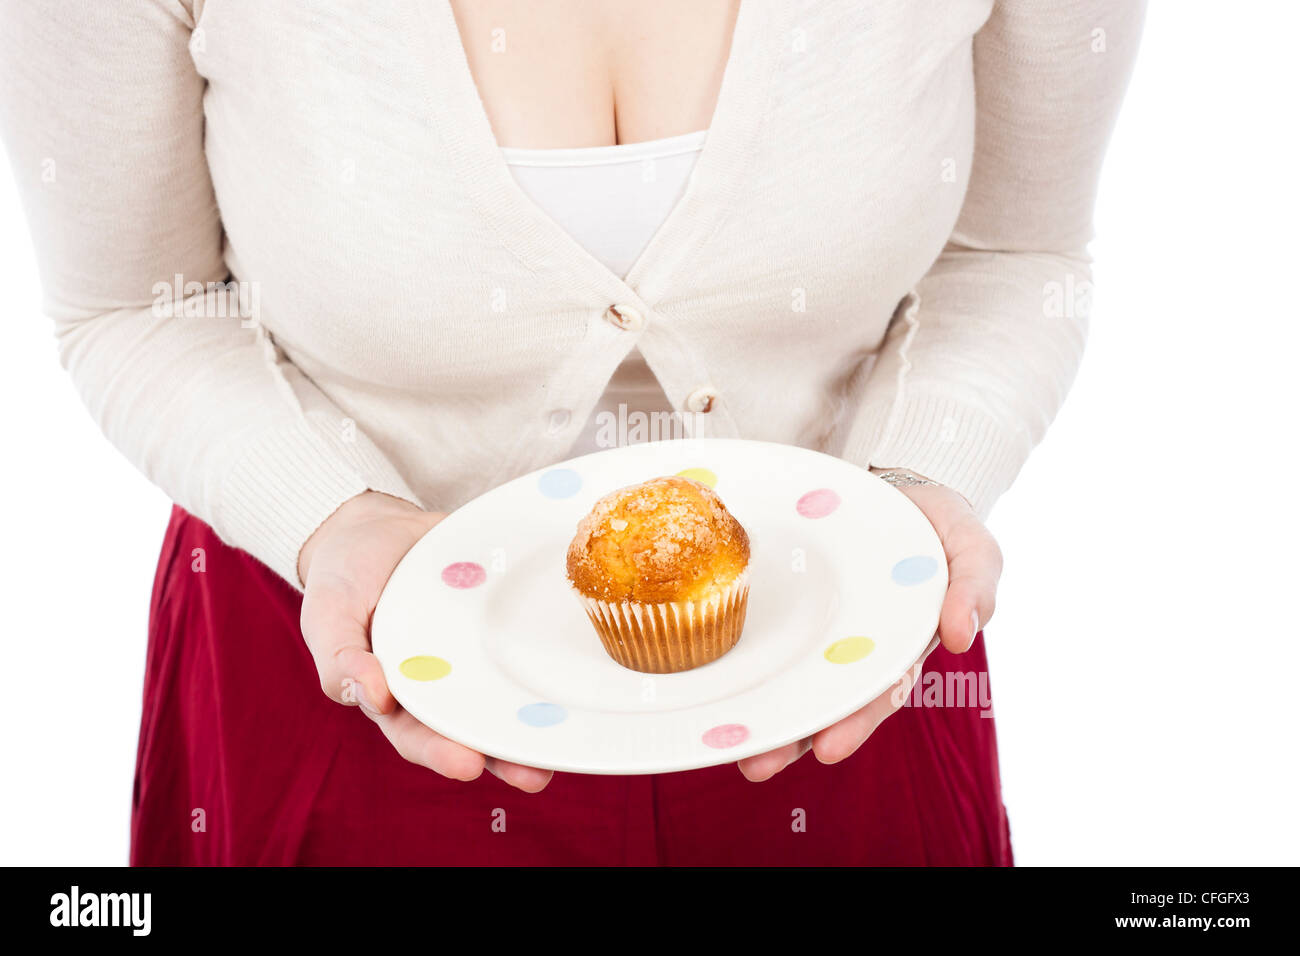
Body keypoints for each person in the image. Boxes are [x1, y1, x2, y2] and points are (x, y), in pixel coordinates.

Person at [0, 0, 1144, 865]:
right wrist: (327, 516)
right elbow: (131, 306)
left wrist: (921, 477)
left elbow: (1014, 253)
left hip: (844, 671)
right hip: (339, 662)